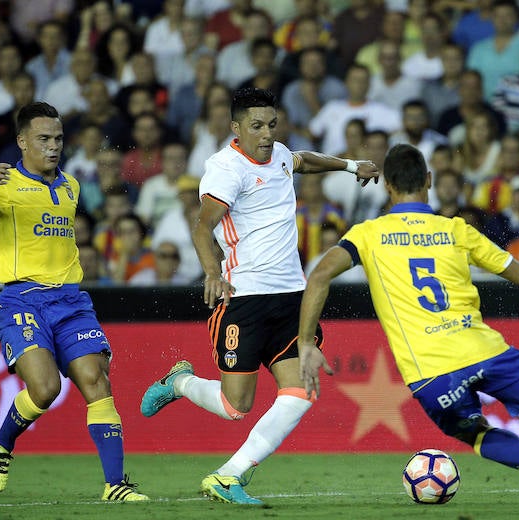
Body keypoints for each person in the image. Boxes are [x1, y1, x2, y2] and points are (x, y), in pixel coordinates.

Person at [296, 143, 519, 507]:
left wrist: (306, 344)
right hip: (487, 351)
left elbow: (318, 276)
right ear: (428, 180)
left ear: (388, 187)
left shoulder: (367, 235)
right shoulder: (457, 230)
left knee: (478, 435)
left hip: (431, 373)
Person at [139, 87, 379, 505]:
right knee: (237, 407)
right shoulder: (224, 169)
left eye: (271, 124)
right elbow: (202, 227)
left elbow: (304, 160)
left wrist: (350, 165)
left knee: (302, 391)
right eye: (256, 126)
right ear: (236, 128)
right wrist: (212, 272)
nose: (266, 134)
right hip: (243, 297)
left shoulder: (281, 154)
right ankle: (180, 382)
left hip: (291, 296)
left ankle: (228, 476)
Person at [0, 102, 148, 501]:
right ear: (22, 141)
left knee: (98, 382)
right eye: (43, 139)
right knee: (44, 389)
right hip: (21, 299)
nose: (53, 146)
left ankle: (115, 485)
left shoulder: (70, 186)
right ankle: (2, 443)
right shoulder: (3, 185)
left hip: (72, 301)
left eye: (58, 138)